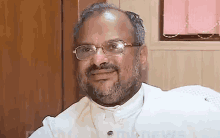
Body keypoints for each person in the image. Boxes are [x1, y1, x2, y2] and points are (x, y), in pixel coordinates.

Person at [30, 2, 220, 138]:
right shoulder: (58, 130)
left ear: (142, 56)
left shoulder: (193, 117)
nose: (97, 60)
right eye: (86, 49)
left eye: (114, 46)